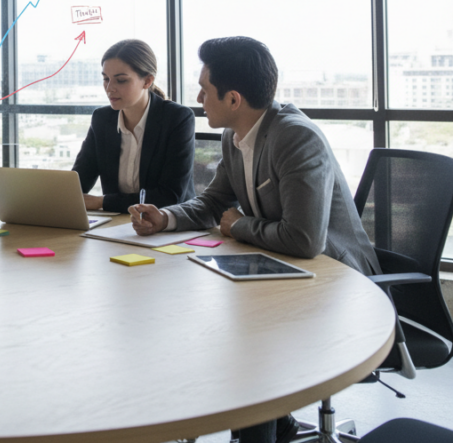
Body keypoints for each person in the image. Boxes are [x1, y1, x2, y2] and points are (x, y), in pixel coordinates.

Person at [129, 36, 379, 443]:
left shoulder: (295, 138)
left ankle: (258, 432)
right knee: (219, 326)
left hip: (334, 281)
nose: (198, 97)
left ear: (233, 98)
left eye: (204, 90)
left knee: (242, 345)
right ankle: (271, 425)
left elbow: (304, 239)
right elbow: (213, 203)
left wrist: (237, 227)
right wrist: (165, 219)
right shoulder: (235, 135)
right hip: (280, 270)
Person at [72, 39, 195, 212]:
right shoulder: (102, 119)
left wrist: (102, 202)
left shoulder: (177, 118)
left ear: (147, 81)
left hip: (167, 225)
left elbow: (170, 196)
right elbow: (78, 182)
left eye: (121, 80)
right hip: (116, 224)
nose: (109, 88)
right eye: (106, 79)